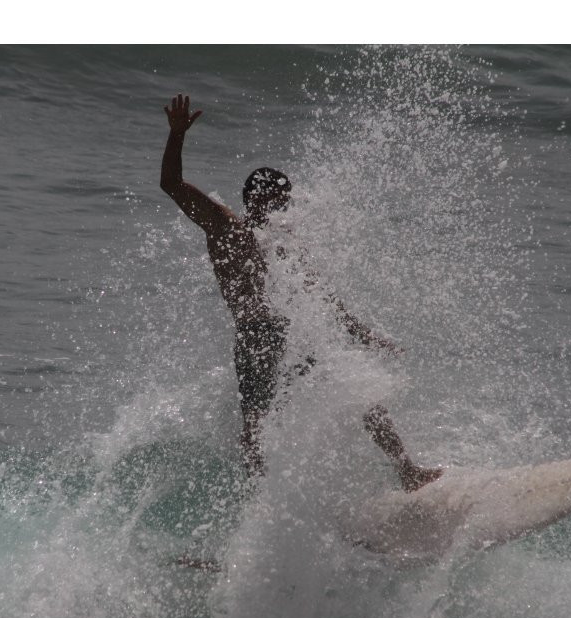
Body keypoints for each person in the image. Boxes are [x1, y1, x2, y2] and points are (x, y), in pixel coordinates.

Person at [160, 93, 441, 491]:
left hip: (290, 336)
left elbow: (318, 295)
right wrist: (176, 136)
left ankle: (407, 472)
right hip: (256, 338)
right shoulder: (226, 227)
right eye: (281, 201)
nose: (287, 209)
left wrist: (361, 333)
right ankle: (253, 521)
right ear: (260, 199)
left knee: (355, 392)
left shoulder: (283, 242)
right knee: (255, 431)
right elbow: (170, 184)